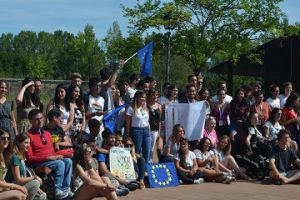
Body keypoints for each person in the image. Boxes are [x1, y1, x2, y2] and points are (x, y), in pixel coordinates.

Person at [25, 109, 73, 199]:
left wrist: (58, 155)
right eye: (36, 119)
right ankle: (57, 190)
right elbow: (30, 158)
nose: (40, 121)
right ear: (30, 121)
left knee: (68, 161)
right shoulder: (28, 135)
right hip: (38, 162)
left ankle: (66, 189)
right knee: (60, 163)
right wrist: (48, 158)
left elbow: (51, 152)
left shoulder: (46, 133)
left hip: (50, 160)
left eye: (41, 118)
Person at [5, 133, 47, 200]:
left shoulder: (22, 156)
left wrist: (36, 188)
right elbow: (18, 180)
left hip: (20, 186)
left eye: (29, 143)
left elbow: (24, 177)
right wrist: (34, 177)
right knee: (35, 183)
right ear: (18, 143)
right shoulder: (15, 157)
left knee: (42, 196)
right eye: (26, 143)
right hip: (11, 188)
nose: (28, 145)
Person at [0, 129, 27, 200]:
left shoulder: (4, 155)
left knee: (21, 194)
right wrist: (16, 186)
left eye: (8, 138)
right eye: (3, 138)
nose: (6, 140)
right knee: (20, 195)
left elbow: (2, 179)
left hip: (2, 188)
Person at [125, 90, 151, 163]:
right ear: (137, 98)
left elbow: (147, 121)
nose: (143, 98)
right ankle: (138, 168)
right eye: (141, 97)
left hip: (146, 130)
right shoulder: (131, 108)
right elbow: (127, 123)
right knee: (137, 151)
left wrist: (149, 131)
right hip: (136, 130)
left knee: (147, 151)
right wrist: (127, 134)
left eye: (144, 97)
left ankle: (146, 169)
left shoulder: (145, 108)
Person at [147, 90, 162, 162]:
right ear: (149, 96)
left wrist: (159, 132)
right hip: (148, 129)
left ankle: (150, 161)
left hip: (156, 130)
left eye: (156, 95)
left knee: (153, 147)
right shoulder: (146, 105)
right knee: (148, 147)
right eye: (153, 95)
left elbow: (159, 120)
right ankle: (148, 161)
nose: (155, 97)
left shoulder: (159, 106)